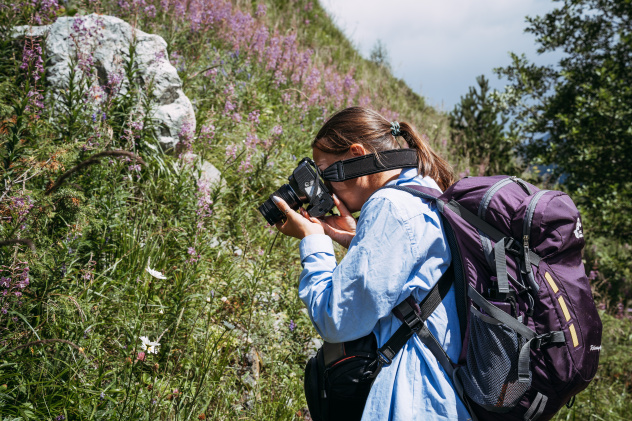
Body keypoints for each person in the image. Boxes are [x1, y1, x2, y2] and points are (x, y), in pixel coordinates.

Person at [272, 107, 470, 420]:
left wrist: (314, 240)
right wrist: (356, 238)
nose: (324, 190)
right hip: (445, 399)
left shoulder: (391, 205)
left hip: (410, 400)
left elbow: (335, 319)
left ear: (356, 155)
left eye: (326, 175)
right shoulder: (426, 193)